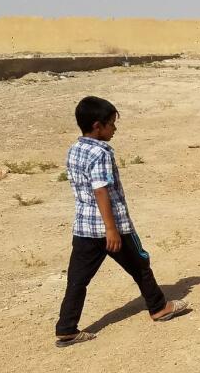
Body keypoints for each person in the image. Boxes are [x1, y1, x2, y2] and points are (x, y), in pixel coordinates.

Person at [55, 96, 188, 347]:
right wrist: (111, 229)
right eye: (111, 124)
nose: (114, 129)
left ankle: (66, 327)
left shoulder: (75, 149)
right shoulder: (100, 152)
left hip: (84, 227)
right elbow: (101, 189)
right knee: (140, 265)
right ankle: (159, 307)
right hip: (111, 226)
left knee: (77, 279)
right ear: (97, 126)